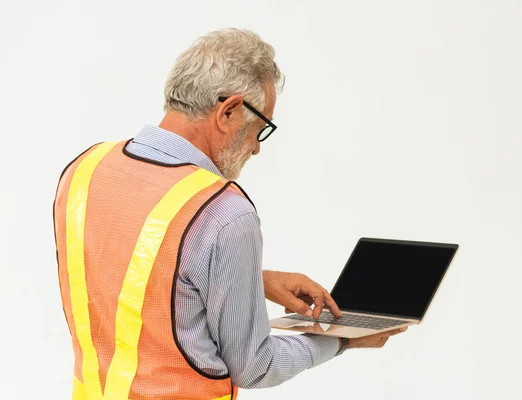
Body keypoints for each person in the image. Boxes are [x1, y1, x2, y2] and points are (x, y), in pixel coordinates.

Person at [53, 28, 407, 400]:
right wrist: (342, 341)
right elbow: (256, 365)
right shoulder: (224, 211)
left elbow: (123, 270)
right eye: (260, 128)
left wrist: (255, 280)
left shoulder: (84, 170)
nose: (255, 148)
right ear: (229, 110)